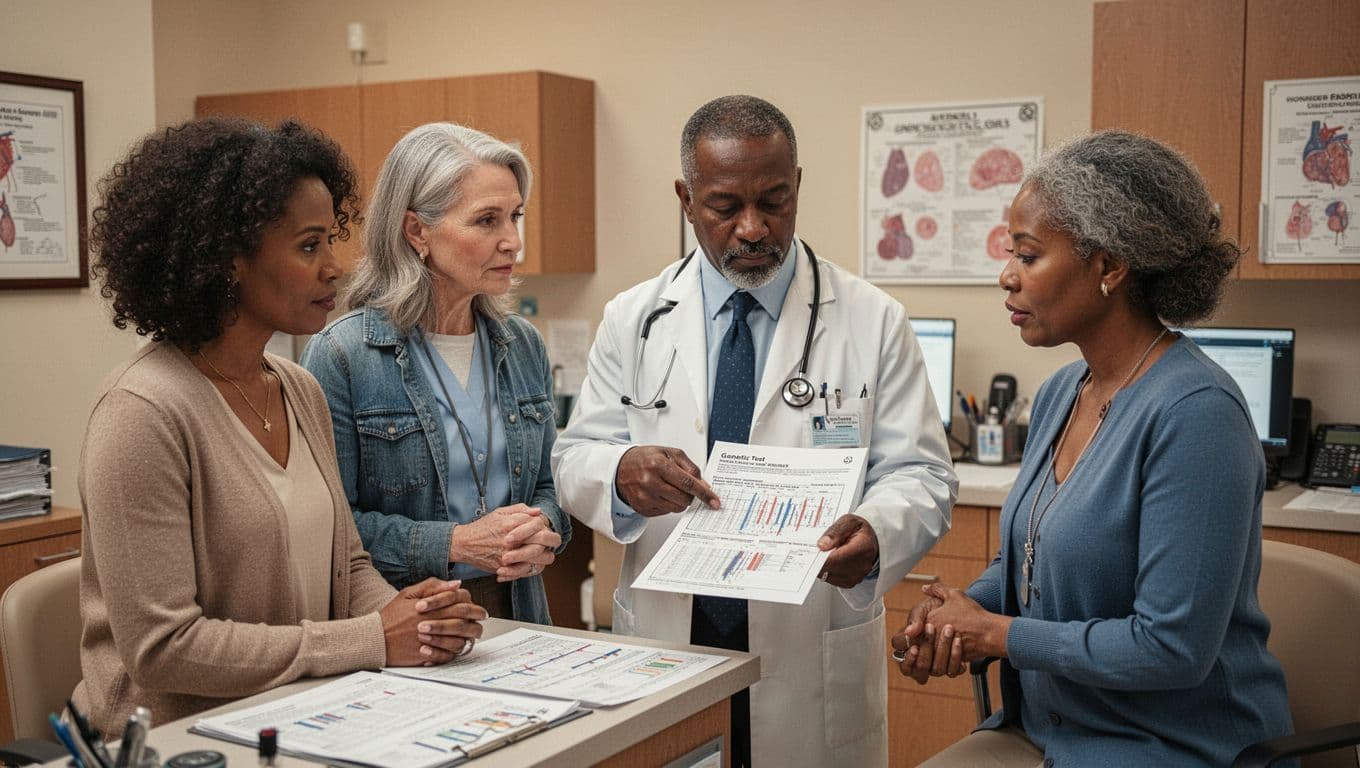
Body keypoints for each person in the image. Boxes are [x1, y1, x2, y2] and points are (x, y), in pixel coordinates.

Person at [552, 95, 957, 766]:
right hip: (668, 638)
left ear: (798, 186)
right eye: (724, 206)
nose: (751, 228)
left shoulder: (872, 319)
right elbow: (575, 457)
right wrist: (620, 475)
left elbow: (924, 474)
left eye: (773, 201)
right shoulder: (635, 318)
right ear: (686, 199)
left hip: (808, 643)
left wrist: (878, 533)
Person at [891, 130, 1294, 766]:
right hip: (1053, 730)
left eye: (1027, 255)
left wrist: (997, 634)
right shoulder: (1061, 393)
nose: (1006, 276)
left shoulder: (1196, 416)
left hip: (1172, 746)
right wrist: (962, 612)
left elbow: (1171, 649)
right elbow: (1032, 563)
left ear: (1109, 267)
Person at [75, 117, 487, 736]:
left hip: (299, 716)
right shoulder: (142, 414)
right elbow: (162, 648)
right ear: (228, 260)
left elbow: (346, 570)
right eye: (308, 245)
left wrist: (419, 621)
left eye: (331, 240)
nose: (334, 268)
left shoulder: (298, 389)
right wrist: (371, 639)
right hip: (176, 738)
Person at [301, 123, 568, 622]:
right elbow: (332, 531)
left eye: (515, 217)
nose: (513, 242)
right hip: (406, 620)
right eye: (487, 220)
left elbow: (550, 486)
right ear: (416, 231)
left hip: (520, 612)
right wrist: (458, 543)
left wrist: (544, 527)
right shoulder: (343, 356)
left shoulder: (523, 345)